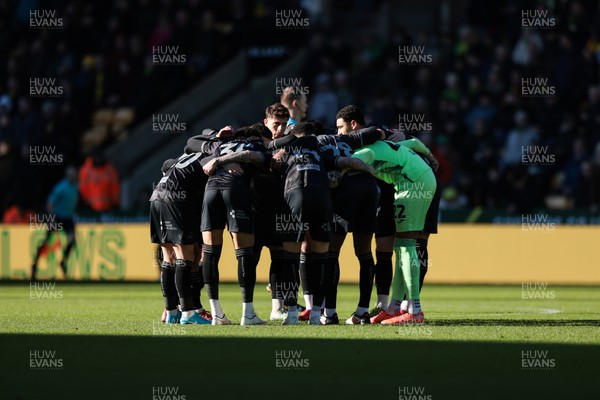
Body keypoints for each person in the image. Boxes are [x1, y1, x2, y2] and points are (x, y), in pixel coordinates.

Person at [269, 122, 375, 325]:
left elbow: (272, 164)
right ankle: (317, 314)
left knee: (289, 258)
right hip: (321, 198)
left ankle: (291, 312)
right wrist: (367, 168)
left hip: (294, 195)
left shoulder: (286, 149)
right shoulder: (322, 150)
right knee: (323, 258)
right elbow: (345, 161)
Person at [149, 128, 232, 325]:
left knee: (168, 258)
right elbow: (207, 168)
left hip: (156, 197)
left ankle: (172, 312)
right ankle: (188, 313)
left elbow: (168, 164)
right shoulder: (214, 154)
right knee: (185, 256)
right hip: (175, 200)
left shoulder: (190, 153)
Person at [353, 140, 437, 324]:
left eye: (340, 127)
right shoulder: (383, 144)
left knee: (407, 246)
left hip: (414, 185)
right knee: (401, 246)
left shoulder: (363, 151)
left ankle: (415, 310)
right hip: (418, 181)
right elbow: (414, 142)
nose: (338, 132)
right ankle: (393, 308)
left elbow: (354, 162)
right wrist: (430, 156)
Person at [200, 124, 271, 325]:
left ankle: (217, 315)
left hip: (210, 191)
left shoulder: (223, 144)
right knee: (245, 254)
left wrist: (219, 159)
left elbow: (196, 143)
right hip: (235, 191)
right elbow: (257, 157)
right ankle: (247, 314)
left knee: (211, 253)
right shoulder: (256, 144)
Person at [31, 166, 79, 281]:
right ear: (67, 177)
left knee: (72, 239)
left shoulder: (76, 186)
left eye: (74, 175)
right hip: (57, 217)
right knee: (47, 242)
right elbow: (49, 203)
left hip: (67, 218)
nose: (73, 177)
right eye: (71, 176)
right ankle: (34, 266)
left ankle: (63, 262)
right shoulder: (61, 187)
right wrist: (51, 218)